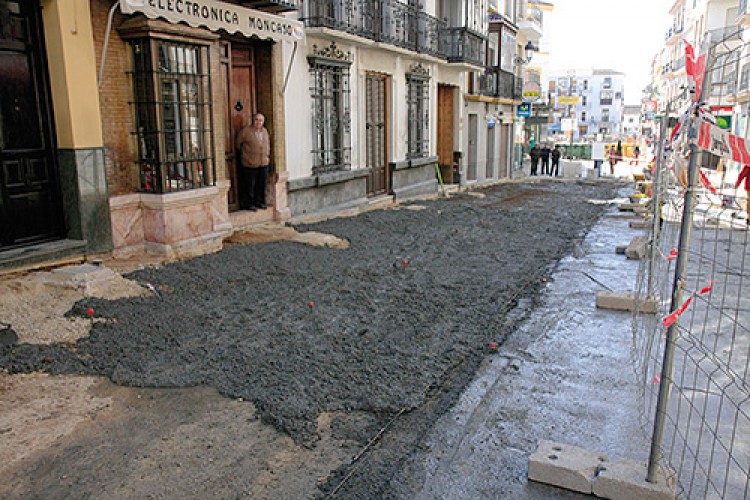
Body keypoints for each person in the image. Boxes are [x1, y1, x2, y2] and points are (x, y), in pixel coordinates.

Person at [236, 113, 271, 211]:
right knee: (249, 185)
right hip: (250, 163)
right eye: (256, 120)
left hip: (263, 163)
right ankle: (248, 204)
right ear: (253, 120)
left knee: (261, 184)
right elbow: (238, 144)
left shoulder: (264, 131)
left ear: (263, 122)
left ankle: (259, 202)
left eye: (260, 120)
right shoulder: (246, 131)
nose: (258, 122)